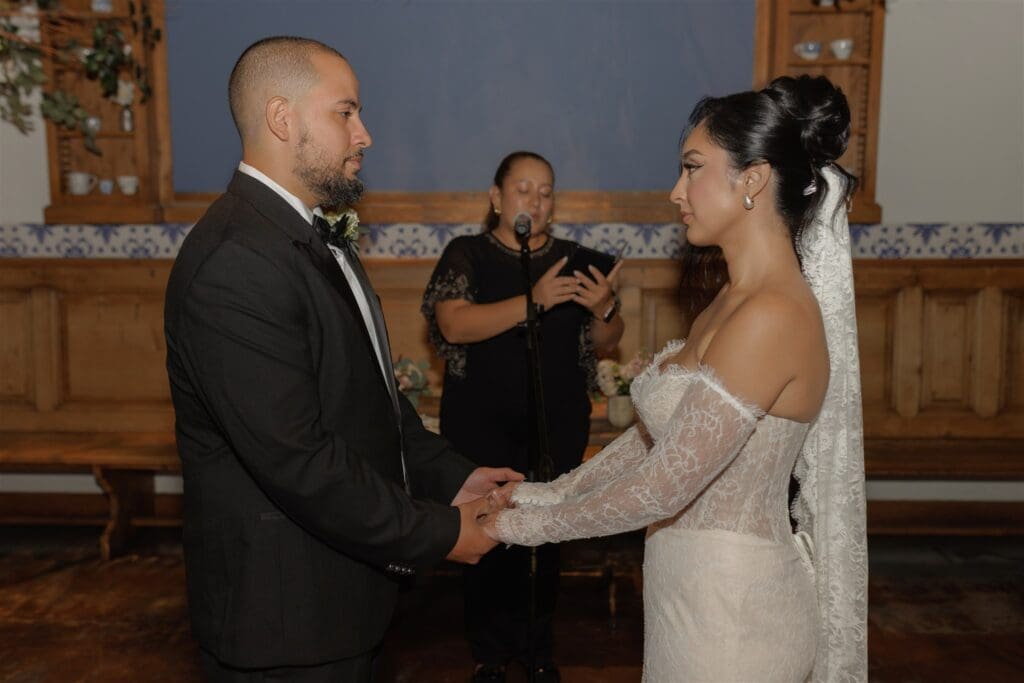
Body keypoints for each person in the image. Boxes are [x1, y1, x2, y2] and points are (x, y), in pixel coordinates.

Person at [486, 75, 868, 682]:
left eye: (693, 168)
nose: (675, 191)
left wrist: (518, 528)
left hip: (735, 611)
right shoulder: (730, 302)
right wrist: (547, 491)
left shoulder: (772, 313)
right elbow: (654, 440)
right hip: (689, 592)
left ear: (753, 179)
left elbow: (665, 485)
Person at [164, 36, 520, 682]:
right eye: (346, 112)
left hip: (344, 601)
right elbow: (300, 460)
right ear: (282, 119)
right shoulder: (235, 264)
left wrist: (448, 476)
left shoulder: (309, 233)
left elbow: (369, 399)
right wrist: (442, 531)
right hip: (284, 623)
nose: (366, 134)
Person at [421, 150, 625, 682]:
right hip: (480, 423)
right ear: (496, 197)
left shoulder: (573, 260)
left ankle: (538, 650)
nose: (535, 200)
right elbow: (454, 325)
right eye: (523, 189)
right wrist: (531, 300)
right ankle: (488, 654)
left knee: (544, 538)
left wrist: (605, 309)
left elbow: (604, 343)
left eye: (546, 191)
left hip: (555, 422)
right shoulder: (467, 253)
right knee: (487, 535)